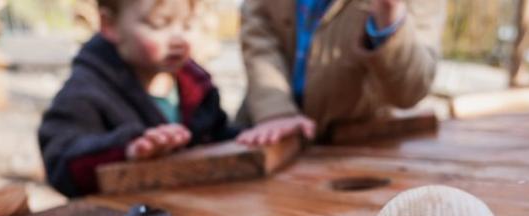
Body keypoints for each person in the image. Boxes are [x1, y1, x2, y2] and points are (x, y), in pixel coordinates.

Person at [39, 0, 238, 197]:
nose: (179, 39)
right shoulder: (86, 91)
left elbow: (216, 134)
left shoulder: (197, 86)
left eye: (187, 25)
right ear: (110, 25)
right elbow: (60, 161)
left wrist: (248, 137)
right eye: (159, 24)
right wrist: (125, 149)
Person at [235, 0, 445, 146]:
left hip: (356, 147)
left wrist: (389, 20)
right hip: (265, 135)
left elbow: (410, 91)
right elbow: (258, 35)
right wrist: (275, 111)